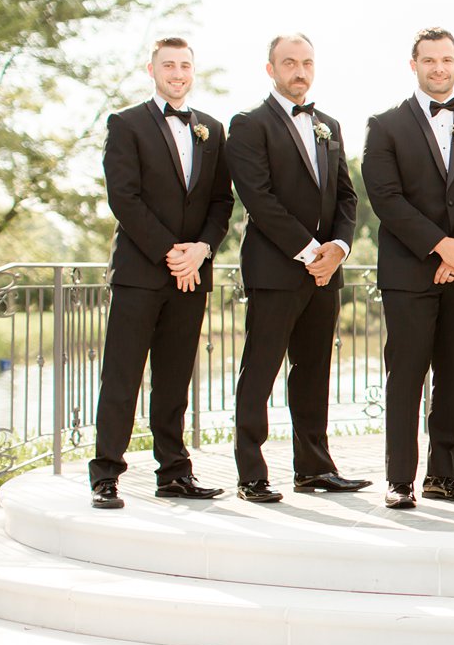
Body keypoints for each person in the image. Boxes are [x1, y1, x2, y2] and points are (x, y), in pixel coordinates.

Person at [361, 28, 454, 509]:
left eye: (446, 59)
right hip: (409, 272)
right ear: (414, 65)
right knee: (405, 374)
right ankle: (400, 478)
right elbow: (385, 197)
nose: (438, 68)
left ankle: (444, 475)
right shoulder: (384, 125)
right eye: (429, 60)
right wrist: (440, 246)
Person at [88, 38, 233, 509]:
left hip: (192, 274)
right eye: (168, 65)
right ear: (151, 70)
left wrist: (202, 250)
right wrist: (171, 253)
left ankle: (174, 472)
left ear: (194, 72)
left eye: (185, 65)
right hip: (141, 272)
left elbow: (221, 202)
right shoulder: (126, 124)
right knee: (122, 376)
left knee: (174, 380)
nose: (177, 73)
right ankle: (106, 474)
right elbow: (123, 197)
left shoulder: (212, 129)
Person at [225, 33, 368, 503]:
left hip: (326, 273)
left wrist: (340, 249)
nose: (299, 71)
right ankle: (251, 473)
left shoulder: (328, 125)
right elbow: (259, 200)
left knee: (314, 371)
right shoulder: (248, 124)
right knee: (260, 370)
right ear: (270, 69)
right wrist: (311, 252)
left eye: (306, 62)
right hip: (276, 270)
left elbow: (346, 196)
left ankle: (314, 469)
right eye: (289, 63)